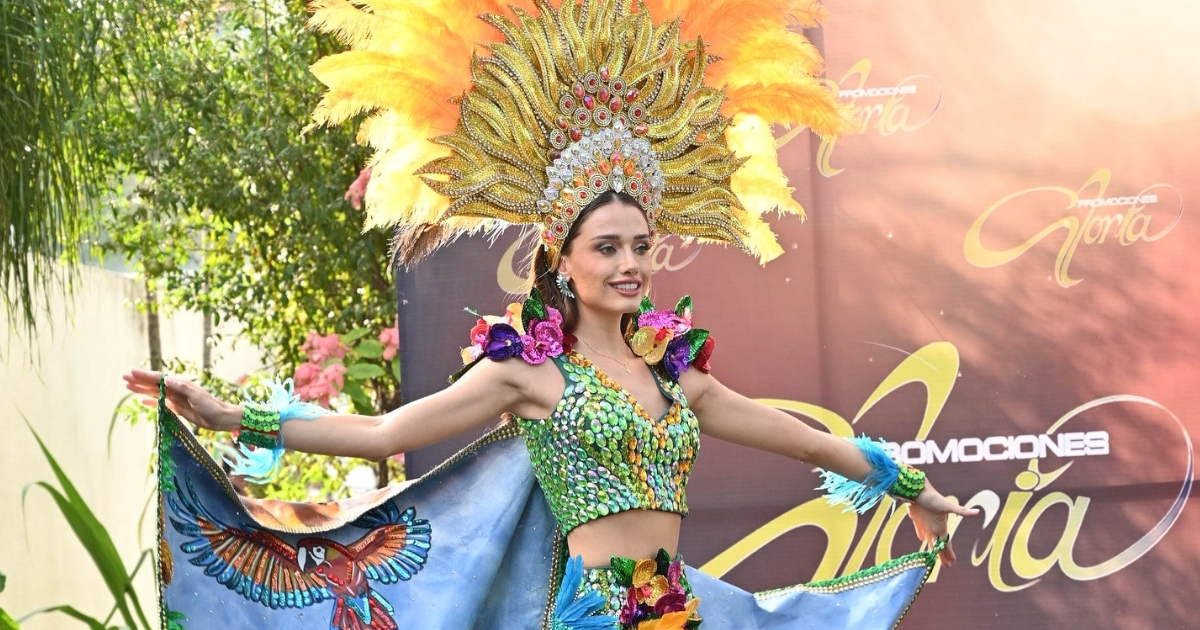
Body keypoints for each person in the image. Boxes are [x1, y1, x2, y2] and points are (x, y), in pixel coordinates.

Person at [125, 1, 978, 627]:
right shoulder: (529, 375)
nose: (631, 263)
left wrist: (915, 486)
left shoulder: (674, 378)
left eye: (641, 244)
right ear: (561, 258)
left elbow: (801, 439)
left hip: (677, 612)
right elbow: (390, 435)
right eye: (607, 247)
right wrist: (235, 415)